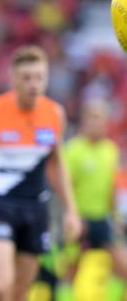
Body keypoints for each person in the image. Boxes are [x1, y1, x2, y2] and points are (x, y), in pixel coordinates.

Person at [0, 45, 82, 301]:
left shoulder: (54, 114)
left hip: (35, 207)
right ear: (12, 79)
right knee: (1, 287)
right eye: (27, 78)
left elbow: (57, 164)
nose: (34, 84)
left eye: (39, 77)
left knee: (20, 293)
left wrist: (71, 211)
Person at [63, 98, 127, 288]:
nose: (96, 122)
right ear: (84, 120)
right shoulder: (73, 150)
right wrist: (71, 216)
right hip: (80, 220)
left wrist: (114, 218)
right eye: (92, 117)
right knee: (71, 272)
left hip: (102, 219)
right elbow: (66, 188)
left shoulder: (111, 151)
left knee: (122, 268)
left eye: (100, 118)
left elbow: (110, 189)